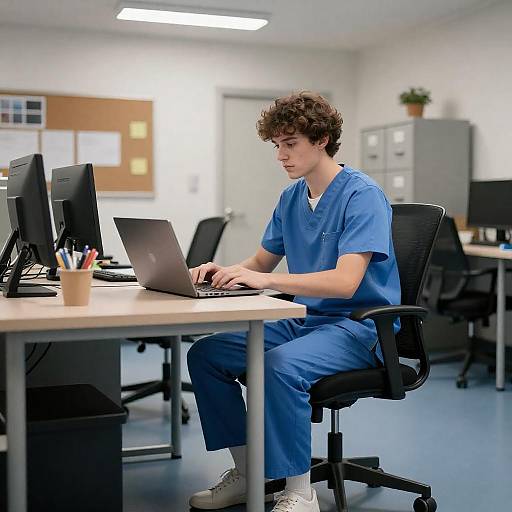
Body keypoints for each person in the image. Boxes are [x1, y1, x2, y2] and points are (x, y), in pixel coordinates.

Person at [187, 91, 400, 512]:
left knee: (278, 366)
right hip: (304, 320)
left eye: (290, 144)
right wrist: (222, 272)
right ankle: (247, 474)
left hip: (357, 327)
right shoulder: (291, 198)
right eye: (277, 146)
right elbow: (261, 261)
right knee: (207, 353)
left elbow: (345, 281)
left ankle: (299, 492)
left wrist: (262, 278)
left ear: (320, 139)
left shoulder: (362, 195)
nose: (281, 156)